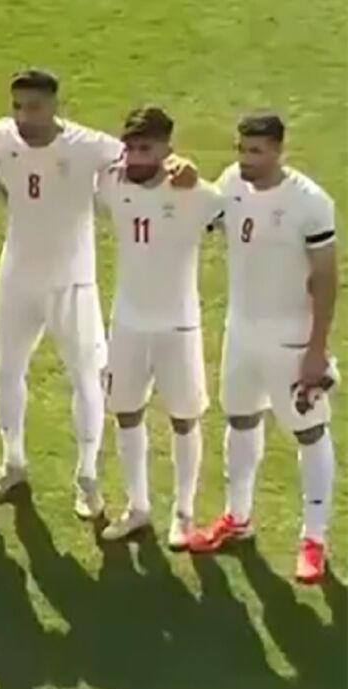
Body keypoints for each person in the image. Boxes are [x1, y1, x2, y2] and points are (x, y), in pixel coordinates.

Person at [0, 69, 195, 518]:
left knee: (86, 378)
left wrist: (177, 166)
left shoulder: (87, 145)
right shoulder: (0, 134)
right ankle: (12, 461)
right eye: (17, 105)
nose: (23, 115)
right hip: (17, 276)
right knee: (8, 369)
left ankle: (87, 476)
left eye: (33, 106)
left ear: (55, 105)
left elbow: (142, 162)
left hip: (72, 283)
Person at [188, 112, 338, 585]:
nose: (247, 160)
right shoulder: (233, 182)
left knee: (309, 431)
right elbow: (205, 211)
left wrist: (317, 349)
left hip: (291, 339)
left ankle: (314, 538)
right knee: (240, 421)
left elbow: (327, 279)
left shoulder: (310, 203)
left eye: (257, 152)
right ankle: (239, 516)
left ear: (279, 150)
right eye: (242, 149)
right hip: (242, 332)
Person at [94, 106, 220, 547]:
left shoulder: (194, 192)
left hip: (178, 326)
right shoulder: (110, 182)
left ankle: (183, 514)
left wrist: (196, 179)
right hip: (127, 322)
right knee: (125, 411)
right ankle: (139, 506)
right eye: (129, 146)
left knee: (184, 418)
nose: (135, 156)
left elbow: (235, 221)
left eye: (146, 147)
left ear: (168, 147)